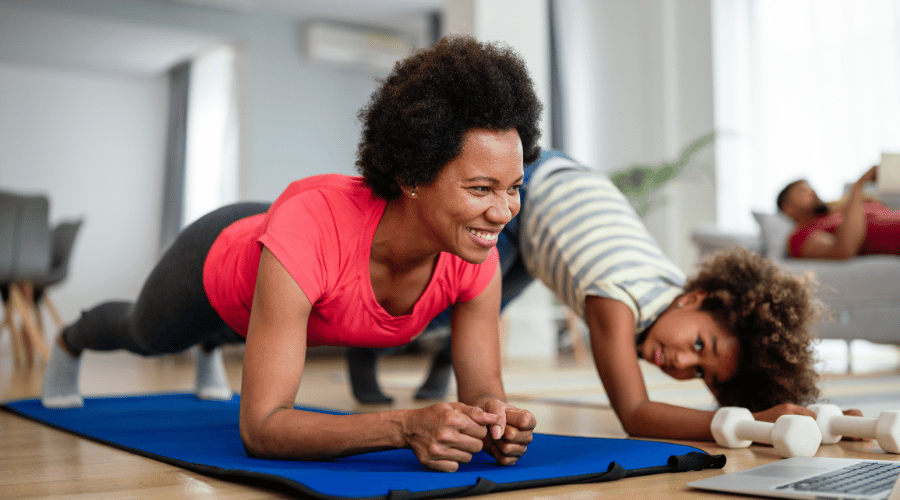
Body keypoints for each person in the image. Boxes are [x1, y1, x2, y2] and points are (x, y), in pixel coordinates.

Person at [40, 35, 543, 472]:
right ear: (412, 177)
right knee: (146, 335)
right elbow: (261, 429)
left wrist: (496, 421)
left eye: (513, 187)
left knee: (245, 332)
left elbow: (482, 389)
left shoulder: (475, 251)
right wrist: (401, 426)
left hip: (286, 270)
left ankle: (212, 348)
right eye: (481, 189)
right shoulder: (313, 224)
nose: (503, 213)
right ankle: (71, 339)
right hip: (219, 258)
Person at [352, 150, 852, 441]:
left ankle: (445, 357)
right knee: (435, 308)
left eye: (699, 374)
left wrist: (808, 412)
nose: (680, 365)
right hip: (532, 186)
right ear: (694, 299)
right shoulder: (617, 301)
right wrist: (752, 423)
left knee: (480, 310)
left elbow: (737, 389)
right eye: (699, 348)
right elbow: (635, 416)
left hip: (551, 228)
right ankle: (364, 342)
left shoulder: (690, 307)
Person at [777, 166, 900, 259]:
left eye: (810, 187)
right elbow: (843, 250)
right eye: (802, 191)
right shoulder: (799, 236)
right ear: (788, 208)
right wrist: (858, 185)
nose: (812, 191)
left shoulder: (838, 211)